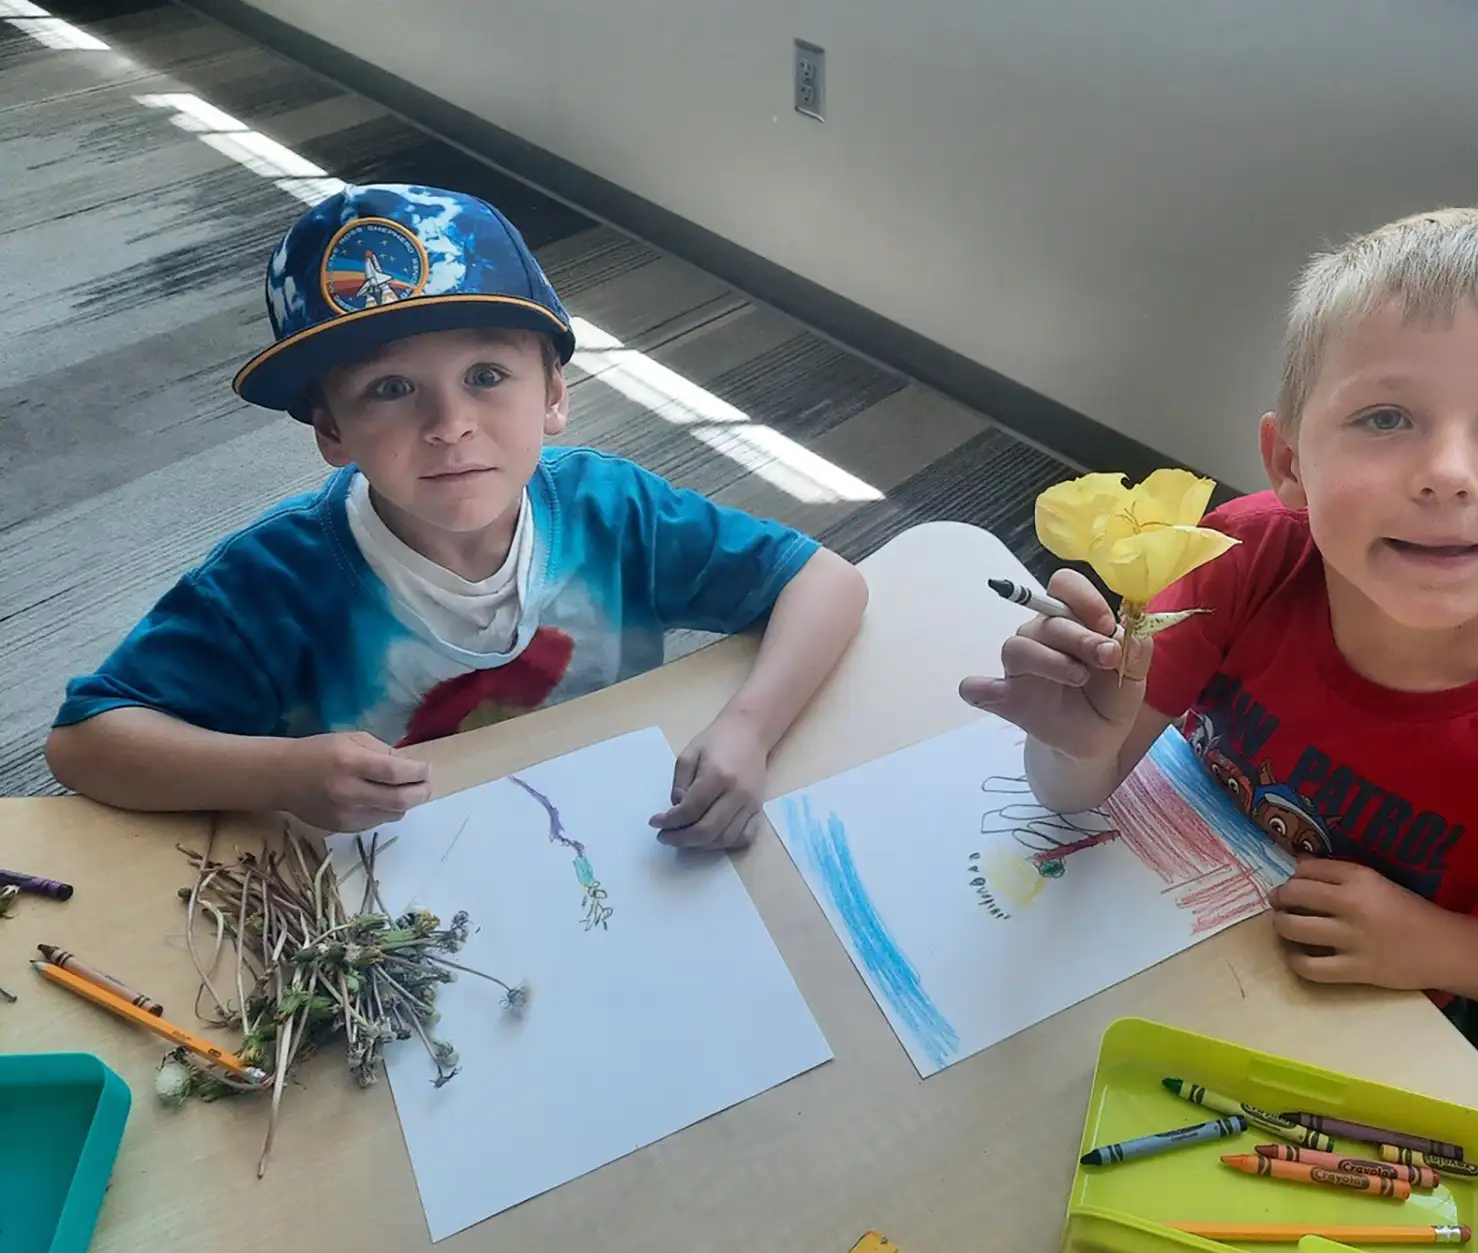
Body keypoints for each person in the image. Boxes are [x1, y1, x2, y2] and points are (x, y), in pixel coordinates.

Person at [959, 207, 1478, 1149]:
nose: (1446, 473)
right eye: (1385, 417)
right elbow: (1075, 791)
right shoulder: (1248, 554)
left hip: (1376, 1014)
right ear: (1290, 462)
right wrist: (1077, 740)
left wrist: (1439, 948)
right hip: (1168, 938)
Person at [46, 184, 868, 848]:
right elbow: (84, 744)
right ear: (331, 430)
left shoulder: (613, 512)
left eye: (485, 374)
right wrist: (281, 775)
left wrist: (748, 729)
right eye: (390, 389)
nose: (449, 425)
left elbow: (825, 581)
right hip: (397, 905)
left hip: (618, 844)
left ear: (552, 394)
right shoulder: (271, 584)